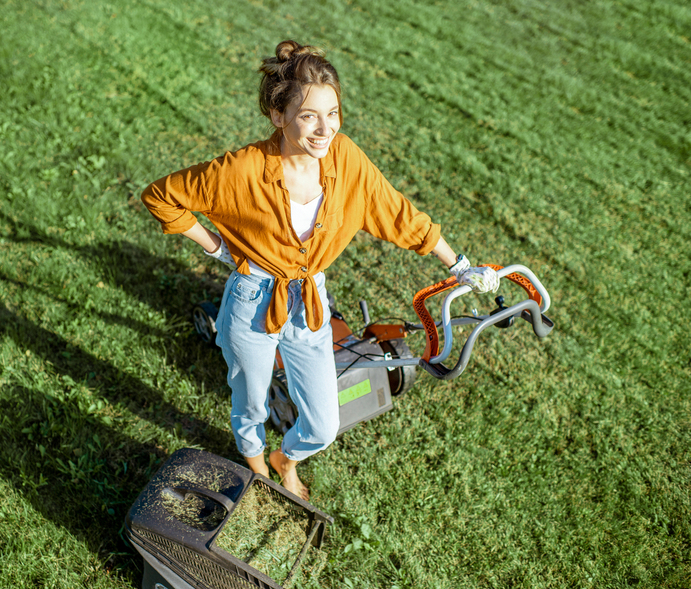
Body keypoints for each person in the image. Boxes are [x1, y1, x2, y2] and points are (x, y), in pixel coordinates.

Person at [141, 40, 498, 499]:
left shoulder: (345, 158)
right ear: (278, 116)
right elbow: (161, 196)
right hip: (252, 299)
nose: (324, 128)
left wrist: (461, 265)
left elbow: (397, 212)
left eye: (332, 113)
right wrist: (217, 247)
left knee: (323, 425)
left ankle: (284, 458)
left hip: (310, 304)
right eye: (309, 115)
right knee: (249, 403)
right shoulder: (243, 169)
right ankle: (259, 473)